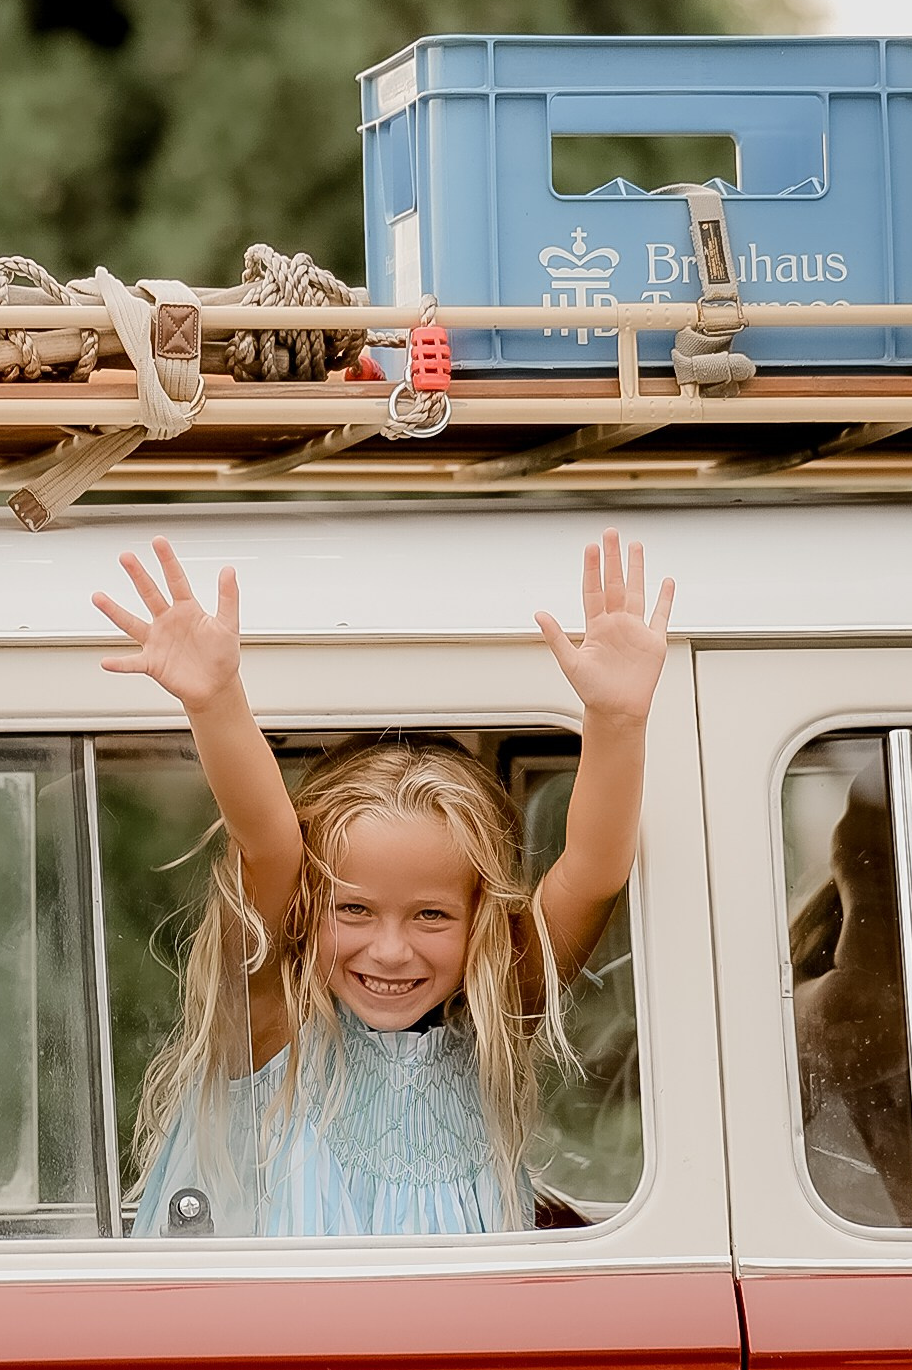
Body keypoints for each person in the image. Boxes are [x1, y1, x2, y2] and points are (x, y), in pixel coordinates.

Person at [92, 530, 674, 1236]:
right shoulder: (271, 1022)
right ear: (309, 907)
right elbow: (269, 841)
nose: (391, 951)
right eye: (355, 909)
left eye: (431, 915)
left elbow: (592, 869)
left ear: (479, 920)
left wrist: (616, 721)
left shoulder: (491, 1016)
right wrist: (217, 703)